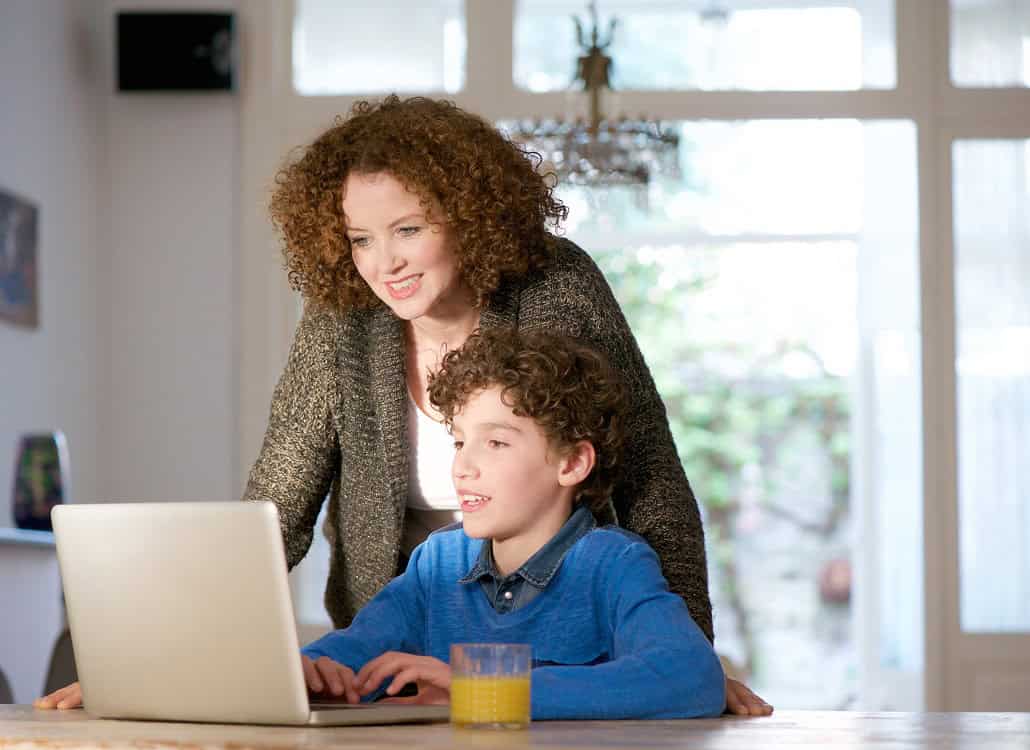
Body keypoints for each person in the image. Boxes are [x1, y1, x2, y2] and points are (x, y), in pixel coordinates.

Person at [36, 95, 771, 715]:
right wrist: (172, 667)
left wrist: (686, 662)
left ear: (471, 217)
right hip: (403, 638)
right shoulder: (343, 321)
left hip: (564, 638)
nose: (383, 263)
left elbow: (650, 478)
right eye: (360, 239)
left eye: (408, 230)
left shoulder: (557, 287)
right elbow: (276, 509)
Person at [302, 328, 726, 719]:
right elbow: (350, 654)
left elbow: (692, 676)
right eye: (460, 442)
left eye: (496, 442)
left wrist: (482, 691)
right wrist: (312, 672)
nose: (463, 466)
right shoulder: (437, 563)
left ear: (572, 463)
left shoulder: (614, 564)